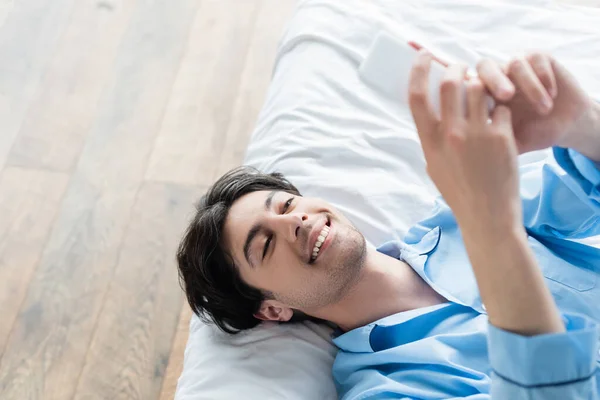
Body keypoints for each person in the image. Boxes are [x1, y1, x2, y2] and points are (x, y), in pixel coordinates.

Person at [177, 50, 600, 399]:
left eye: (287, 205)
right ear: (272, 309)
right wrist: (492, 230)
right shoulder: (386, 386)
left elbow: (586, 186)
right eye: (265, 245)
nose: (296, 223)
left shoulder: (454, 216)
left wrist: (581, 123)